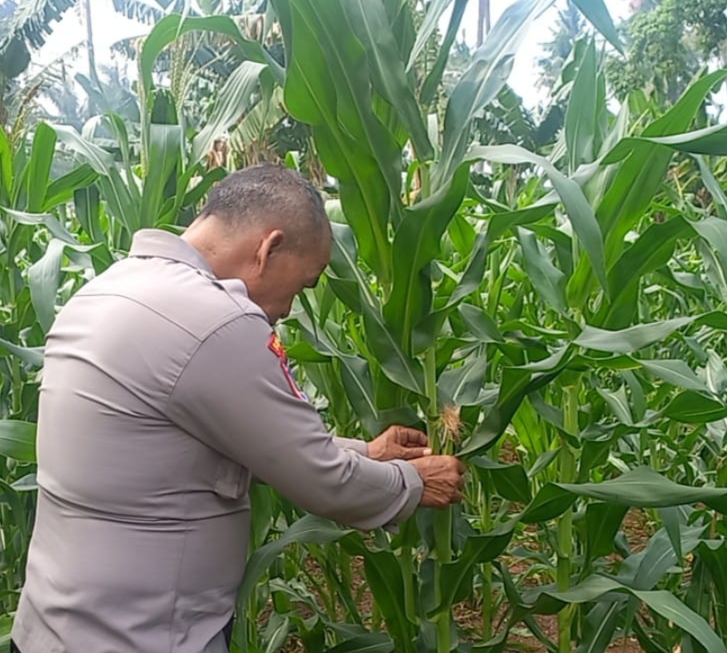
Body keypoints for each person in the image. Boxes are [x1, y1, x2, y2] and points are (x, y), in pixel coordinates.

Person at [11, 164, 465, 653]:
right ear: (269, 248)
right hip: (142, 636)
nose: (288, 309)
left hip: (53, 628)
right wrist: (414, 482)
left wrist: (367, 453)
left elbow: (224, 438)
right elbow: (322, 480)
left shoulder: (108, 290)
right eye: (303, 284)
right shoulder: (216, 321)